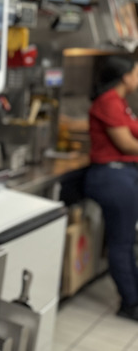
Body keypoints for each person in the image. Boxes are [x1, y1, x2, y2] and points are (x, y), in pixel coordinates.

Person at [83, 55, 138, 322]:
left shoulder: (120, 102)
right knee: (122, 242)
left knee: (126, 241)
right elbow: (126, 144)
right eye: (136, 73)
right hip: (112, 177)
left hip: (124, 176)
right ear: (125, 76)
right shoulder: (108, 102)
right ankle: (131, 303)